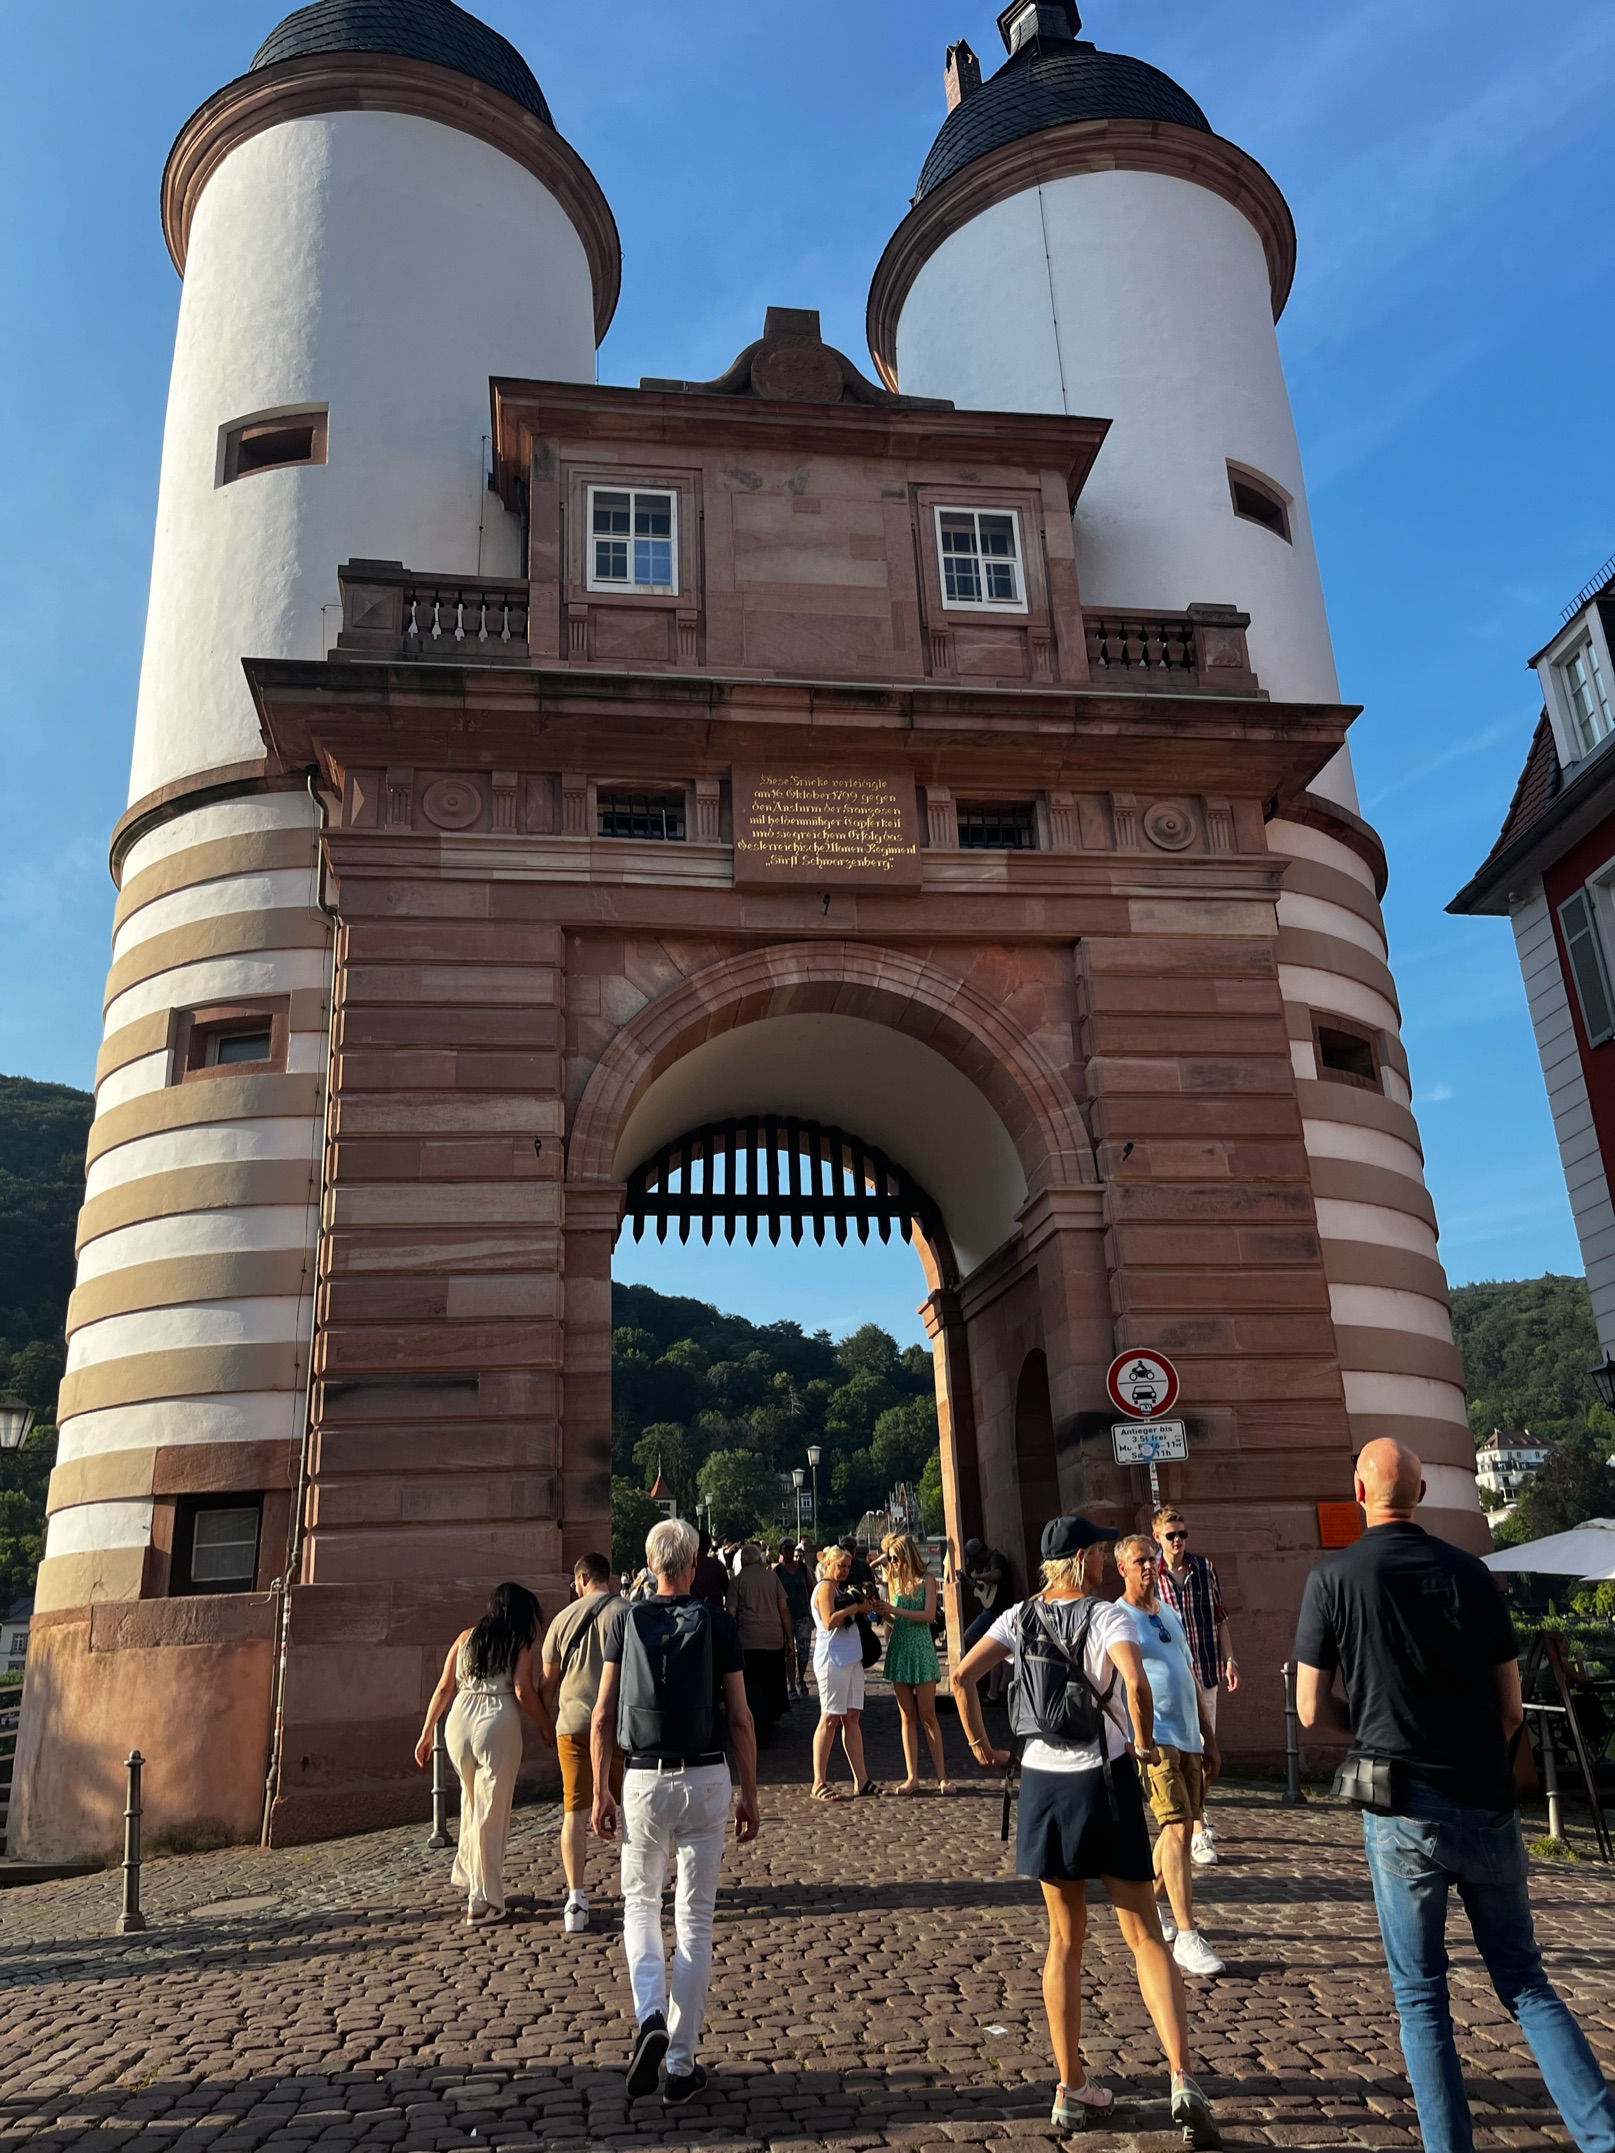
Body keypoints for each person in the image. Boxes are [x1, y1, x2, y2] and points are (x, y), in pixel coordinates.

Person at [1297, 1439, 1615, 2153]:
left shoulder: (1332, 1576)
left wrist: (1373, 1732)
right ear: (1422, 1491)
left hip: (1400, 1806)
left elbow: (1310, 1708)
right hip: (1485, 1799)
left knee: (1420, 1998)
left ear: (1357, 1489)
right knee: (1526, 1982)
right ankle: (1600, 2134)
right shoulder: (1472, 1574)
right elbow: (1510, 1709)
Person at [953, 1515, 1220, 2147]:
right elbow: (1134, 1684)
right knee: (1144, 1936)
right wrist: (1147, 1740)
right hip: (1105, 1780)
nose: (1105, 1559)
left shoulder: (1016, 1618)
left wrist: (982, 1750)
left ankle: (1071, 2087)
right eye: (1099, 1550)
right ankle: (1181, 2076)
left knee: (1064, 1940)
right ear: (1081, 1559)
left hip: (1044, 1786)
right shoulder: (1107, 1617)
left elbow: (962, 1677)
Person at [593, 1516, 760, 2111]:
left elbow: (602, 1713)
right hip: (707, 1774)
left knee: (639, 1904)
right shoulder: (718, 1622)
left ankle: (649, 2016)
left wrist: (599, 1790)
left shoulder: (625, 1620)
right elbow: (740, 1717)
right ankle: (683, 2066)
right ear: (693, 1565)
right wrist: (750, 1793)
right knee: (694, 1920)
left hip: (642, 1776)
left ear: (651, 1562)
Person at [1115, 1535, 1224, 1976]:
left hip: (1189, 1739)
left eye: (1151, 1560)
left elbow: (1190, 1677)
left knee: (1175, 1835)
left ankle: (1149, 1902)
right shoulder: (1117, 1618)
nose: (1148, 1567)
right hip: (1154, 1738)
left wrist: (1209, 1736)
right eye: (1139, 1560)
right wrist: (1135, 1737)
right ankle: (1188, 1934)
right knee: (1177, 1828)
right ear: (1123, 1568)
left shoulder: (1171, 1616)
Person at [415, 1581, 554, 1927]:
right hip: (496, 1719)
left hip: (459, 1720)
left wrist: (424, 1733)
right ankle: (485, 1899)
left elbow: (444, 1687)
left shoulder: (465, 1637)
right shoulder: (521, 1642)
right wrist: (544, 1724)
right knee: (492, 1812)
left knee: (471, 1805)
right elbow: (522, 1690)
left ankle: (476, 1887)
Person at [540, 1552, 628, 1933]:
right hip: (619, 1723)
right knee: (630, 1807)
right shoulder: (627, 1612)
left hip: (573, 1723)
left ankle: (575, 1898)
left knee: (574, 1811)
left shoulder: (562, 1619)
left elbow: (546, 1680)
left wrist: (547, 1721)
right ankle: (636, 1888)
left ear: (581, 1578)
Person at [1154, 1507, 1237, 1866]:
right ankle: (1198, 1829)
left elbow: (1219, 1616)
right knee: (1186, 1753)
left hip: (1205, 1669)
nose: (1178, 1541)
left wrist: (1230, 1658)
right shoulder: (1151, 1574)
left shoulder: (1204, 1568)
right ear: (1158, 1537)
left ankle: (1196, 1812)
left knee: (1207, 1755)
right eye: (1171, 1535)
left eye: (1183, 1534)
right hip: (1172, 1678)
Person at [878, 1533, 951, 1795]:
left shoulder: (927, 1580)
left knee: (928, 1714)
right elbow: (896, 1622)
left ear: (907, 1555)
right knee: (907, 1716)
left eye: (895, 1558)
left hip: (920, 1648)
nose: (892, 1563)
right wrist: (886, 1614)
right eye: (890, 1559)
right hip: (900, 1647)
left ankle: (942, 1776)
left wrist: (896, 1610)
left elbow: (929, 1615)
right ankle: (912, 1777)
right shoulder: (894, 1581)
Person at [811, 1545, 879, 1800]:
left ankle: (861, 1779)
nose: (845, 1571)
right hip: (833, 1658)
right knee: (829, 1718)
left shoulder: (840, 1588)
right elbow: (829, 1621)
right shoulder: (826, 1587)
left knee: (852, 1717)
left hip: (850, 1657)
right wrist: (855, 1608)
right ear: (828, 1564)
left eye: (848, 1567)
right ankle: (818, 1781)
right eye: (840, 1566)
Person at [726, 1541, 793, 1745]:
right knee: (772, 1682)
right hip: (773, 1639)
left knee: (752, 1686)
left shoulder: (736, 1582)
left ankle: (756, 1724)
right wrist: (789, 1637)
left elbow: (731, 1613)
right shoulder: (772, 1578)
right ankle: (770, 1721)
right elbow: (783, 1609)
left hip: (748, 1641)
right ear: (759, 1559)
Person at [774, 1542, 814, 1697]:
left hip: (803, 1615)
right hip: (784, 1618)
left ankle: (801, 1678)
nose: (790, 1551)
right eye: (787, 1548)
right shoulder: (777, 1571)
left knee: (804, 1651)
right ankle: (791, 1685)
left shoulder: (804, 1569)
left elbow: (812, 1589)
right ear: (781, 1551)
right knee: (789, 1652)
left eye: (792, 1547)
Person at [690, 1530, 730, 1612]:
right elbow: (728, 1592)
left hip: (692, 1612)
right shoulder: (718, 1566)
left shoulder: (687, 1566)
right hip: (715, 1613)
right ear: (709, 1546)